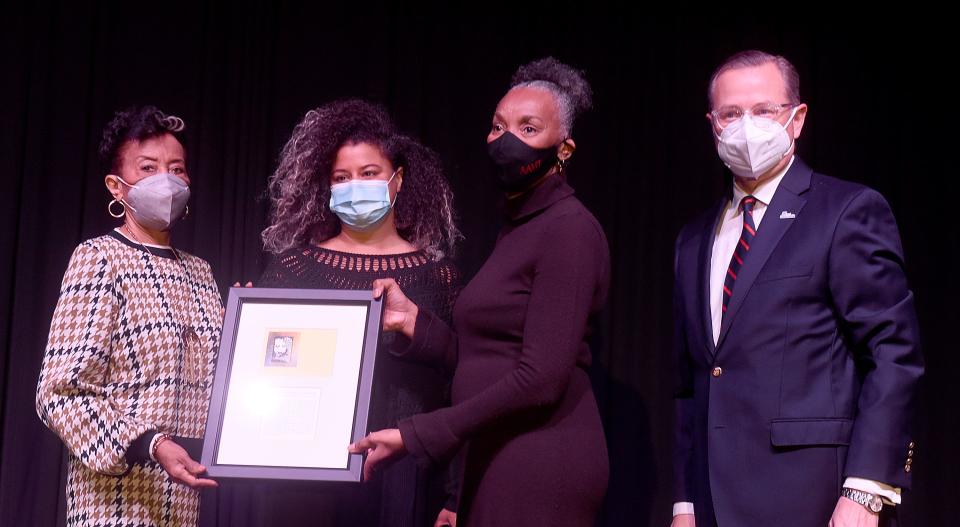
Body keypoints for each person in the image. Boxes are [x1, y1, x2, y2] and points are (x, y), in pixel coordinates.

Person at [350, 57, 610, 526]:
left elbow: (540, 379)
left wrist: (417, 435)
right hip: (496, 455)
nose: (505, 141)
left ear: (564, 149)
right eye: (497, 126)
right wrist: (415, 323)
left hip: (542, 463)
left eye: (528, 129)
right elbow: (486, 361)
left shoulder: (570, 231)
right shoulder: (518, 228)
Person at [670, 50, 924, 527]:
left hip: (816, 500)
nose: (747, 126)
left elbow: (893, 355)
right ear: (713, 124)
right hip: (712, 506)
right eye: (731, 113)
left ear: (797, 118)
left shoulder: (846, 211)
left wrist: (865, 492)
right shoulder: (692, 240)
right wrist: (684, 503)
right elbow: (691, 385)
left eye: (764, 110)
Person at [225, 99, 462, 527]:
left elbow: (459, 387)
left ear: (398, 180)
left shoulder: (437, 277)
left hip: (403, 487)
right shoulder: (292, 268)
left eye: (369, 174)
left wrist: (456, 494)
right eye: (341, 178)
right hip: (303, 490)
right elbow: (266, 380)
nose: (356, 186)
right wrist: (246, 334)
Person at [36, 106, 222, 526]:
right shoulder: (99, 259)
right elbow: (59, 394)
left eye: (177, 168)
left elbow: (215, 384)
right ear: (116, 187)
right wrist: (150, 443)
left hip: (182, 503)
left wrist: (250, 333)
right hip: (114, 503)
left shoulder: (201, 273)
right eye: (148, 167)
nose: (167, 180)